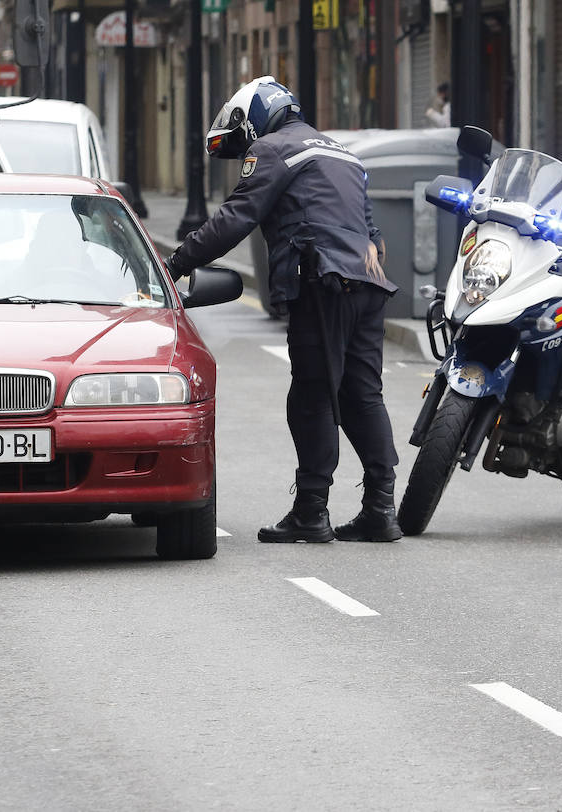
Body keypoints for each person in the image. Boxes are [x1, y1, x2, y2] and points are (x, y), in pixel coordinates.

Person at [167, 76, 402, 544]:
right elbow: (370, 229)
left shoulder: (273, 149)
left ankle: (311, 511)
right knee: (362, 396)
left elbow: (236, 217)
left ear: (255, 116)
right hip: (368, 285)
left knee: (313, 395)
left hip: (321, 284)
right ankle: (381, 508)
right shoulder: (341, 152)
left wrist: (174, 263)